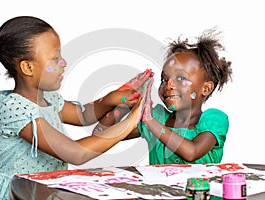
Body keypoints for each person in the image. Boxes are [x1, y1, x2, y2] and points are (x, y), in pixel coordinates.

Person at [0, 16, 150, 200]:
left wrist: (112, 98)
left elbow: (83, 115)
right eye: (55, 58)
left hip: (39, 191)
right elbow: (76, 153)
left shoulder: (48, 98)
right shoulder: (14, 108)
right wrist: (131, 122)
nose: (63, 62)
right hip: (14, 194)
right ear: (27, 67)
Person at [93, 28, 233, 165]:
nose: (169, 85)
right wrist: (125, 103)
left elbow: (192, 152)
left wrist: (148, 120)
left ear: (206, 88)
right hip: (157, 189)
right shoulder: (158, 117)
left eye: (180, 78)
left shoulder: (214, 119)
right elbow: (101, 135)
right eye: (164, 80)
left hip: (200, 189)